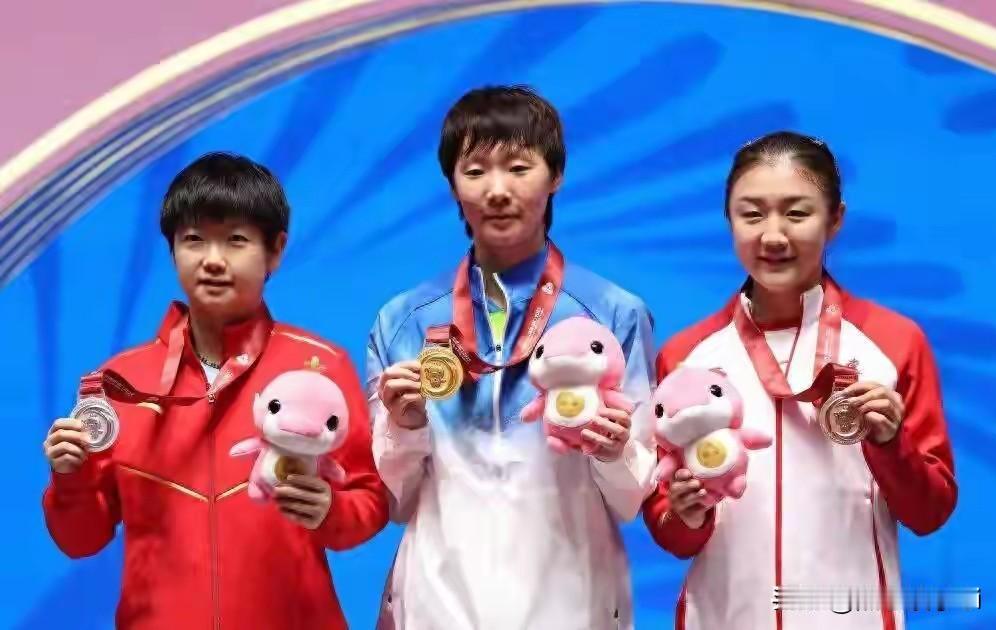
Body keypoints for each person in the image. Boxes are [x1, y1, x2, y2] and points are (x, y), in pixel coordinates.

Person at [42, 152, 389, 629]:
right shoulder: (119, 384)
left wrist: (331, 510)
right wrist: (70, 477)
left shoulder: (320, 366)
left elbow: (370, 500)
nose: (212, 260)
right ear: (172, 251)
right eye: (194, 240)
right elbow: (79, 540)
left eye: (235, 241)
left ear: (275, 250)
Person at [642, 131, 958, 629]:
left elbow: (930, 512)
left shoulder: (895, 342)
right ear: (729, 220)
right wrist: (686, 512)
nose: (773, 235)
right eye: (752, 214)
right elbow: (671, 534)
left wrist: (890, 444)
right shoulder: (685, 356)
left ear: (835, 219)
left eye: (796, 213)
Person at [368, 85, 657, 629]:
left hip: (571, 605)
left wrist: (614, 450)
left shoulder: (614, 314)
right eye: (475, 171)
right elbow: (394, 501)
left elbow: (631, 498)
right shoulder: (402, 320)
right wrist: (405, 427)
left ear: (556, 175)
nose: (497, 191)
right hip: (438, 605)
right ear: (452, 184)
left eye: (519, 168)